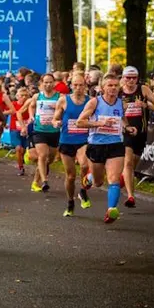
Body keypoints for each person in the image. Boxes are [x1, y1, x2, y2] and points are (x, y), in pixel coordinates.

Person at [77, 74, 137, 223]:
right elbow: (80, 122)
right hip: (96, 145)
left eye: (116, 85)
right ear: (103, 87)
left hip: (115, 144)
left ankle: (111, 210)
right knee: (98, 182)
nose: (113, 88)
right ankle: (88, 180)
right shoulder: (94, 102)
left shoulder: (121, 104)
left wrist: (128, 128)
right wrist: (100, 124)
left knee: (114, 179)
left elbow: (122, 119)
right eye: (110, 85)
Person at [119, 66, 154, 208]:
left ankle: (123, 178)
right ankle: (131, 196)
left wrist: (146, 105)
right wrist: (120, 108)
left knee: (133, 165)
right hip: (125, 131)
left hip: (142, 132)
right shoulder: (118, 91)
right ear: (123, 78)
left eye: (134, 78)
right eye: (128, 77)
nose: (131, 80)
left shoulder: (143, 90)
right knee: (128, 163)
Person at [52, 73, 91, 217]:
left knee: (85, 165)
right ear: (71, 85)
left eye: (81, 85)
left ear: (85, 86)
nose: (78, 88)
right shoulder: (63, 100)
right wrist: (56, 122)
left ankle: (83, 191)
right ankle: (70, 202)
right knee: (70, 176)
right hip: (67, 140)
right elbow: (55, 118)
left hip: (83, 139)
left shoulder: (90, 101)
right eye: (75, 85)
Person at [26, 73, 60, 192]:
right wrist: (31, 116)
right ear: (41, 83)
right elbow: (31, 106)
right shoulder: (37, 96)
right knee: (42, 155)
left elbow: (64, 110)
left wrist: (59, 119)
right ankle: (45, 181)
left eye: (50, 82)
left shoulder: (60, 97)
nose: (48, 84)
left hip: (54, 131)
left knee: (49, 160)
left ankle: (36, 181)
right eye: (45, 82)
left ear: (54, 83)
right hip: (39, 130)